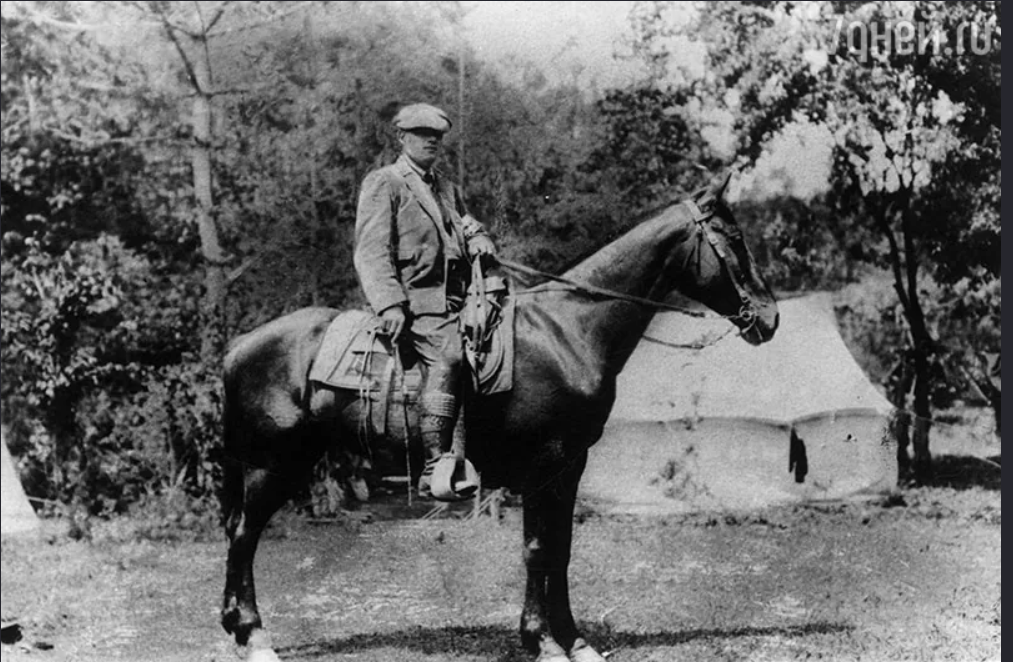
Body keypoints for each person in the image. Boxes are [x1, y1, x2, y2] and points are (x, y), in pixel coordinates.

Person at [353, 102, 496, 499]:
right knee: (448, 355)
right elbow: (370, 249)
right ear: (402, 138)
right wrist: (389, 303)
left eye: (436, 135)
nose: (431, 140)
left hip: (458, 300)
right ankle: (435, 463)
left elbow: (465, 225)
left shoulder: (447, 187)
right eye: (421, 133)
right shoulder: (385, 182)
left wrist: (479, 237)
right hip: (416, 302)